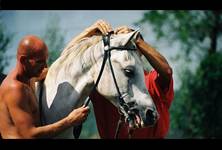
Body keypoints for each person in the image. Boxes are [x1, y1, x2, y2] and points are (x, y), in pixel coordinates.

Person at [0, 20, 112, 139]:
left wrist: (87, 34)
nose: (45, 66)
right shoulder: (14, 89)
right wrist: (70, 121)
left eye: (45, 60)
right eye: (40, 62)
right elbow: (29, 135)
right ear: (23, 61)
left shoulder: (30, 77)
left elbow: (60, 67)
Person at [89, 26, 174, 139]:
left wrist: (137, 39)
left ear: (141, 52)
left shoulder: (153, 81)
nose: (126, 50)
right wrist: (90, 32)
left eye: (131, 45)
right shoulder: (103, 84)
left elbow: (167, 71)